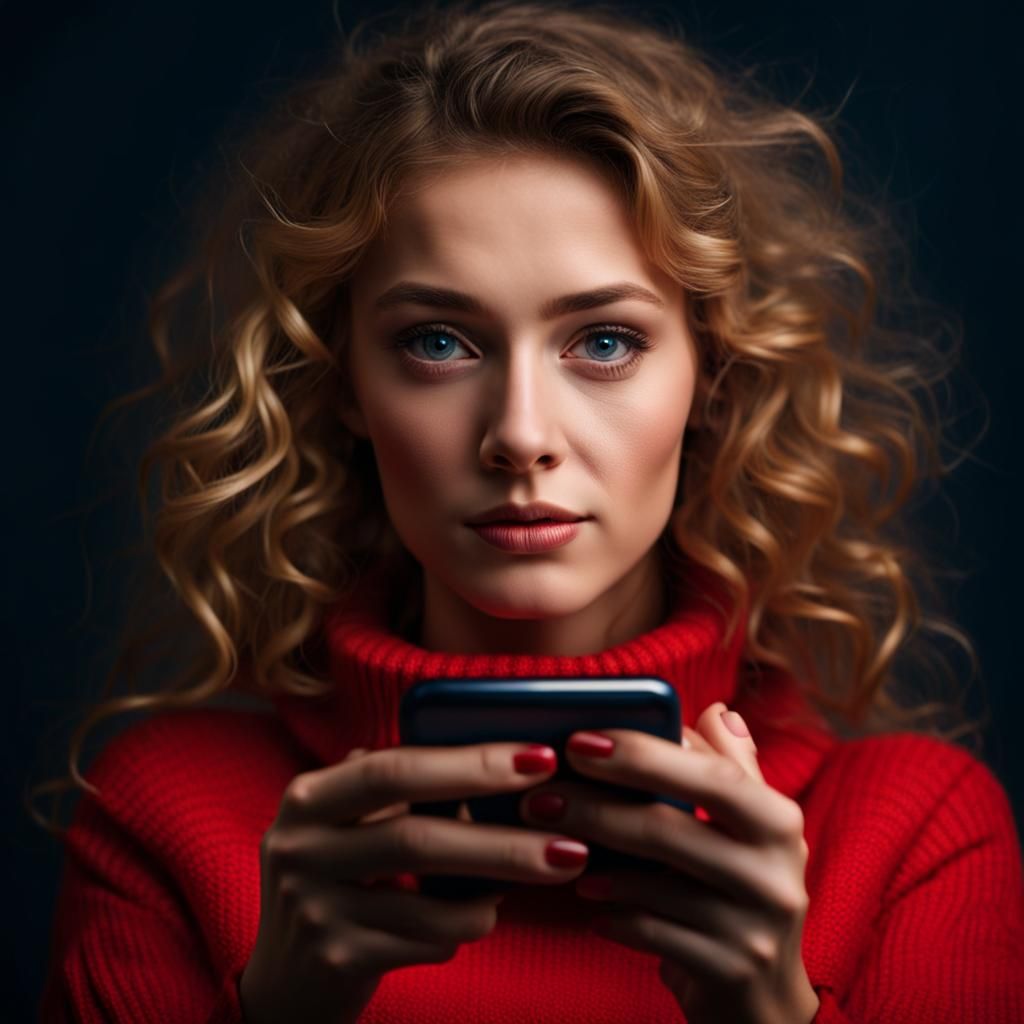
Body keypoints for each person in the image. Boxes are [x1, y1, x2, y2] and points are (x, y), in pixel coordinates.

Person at [33, 1, 1024, 1021]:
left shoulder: (914, 833)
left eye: (602, 342)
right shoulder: (164, 813)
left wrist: (772, 1009)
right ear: (343, 384)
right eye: (438, 342)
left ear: (712, 376)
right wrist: (281, 1006)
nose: (518, 433)